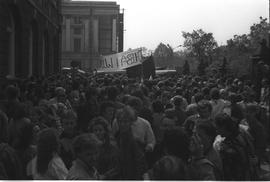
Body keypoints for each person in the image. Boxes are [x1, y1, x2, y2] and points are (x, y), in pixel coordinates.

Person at [214, 113, 259, 180]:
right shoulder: (242, 131)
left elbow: (227, 172)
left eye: (218, 128)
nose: (217, 131)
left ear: (224, 127)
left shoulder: (225, 148)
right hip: (249, 173)